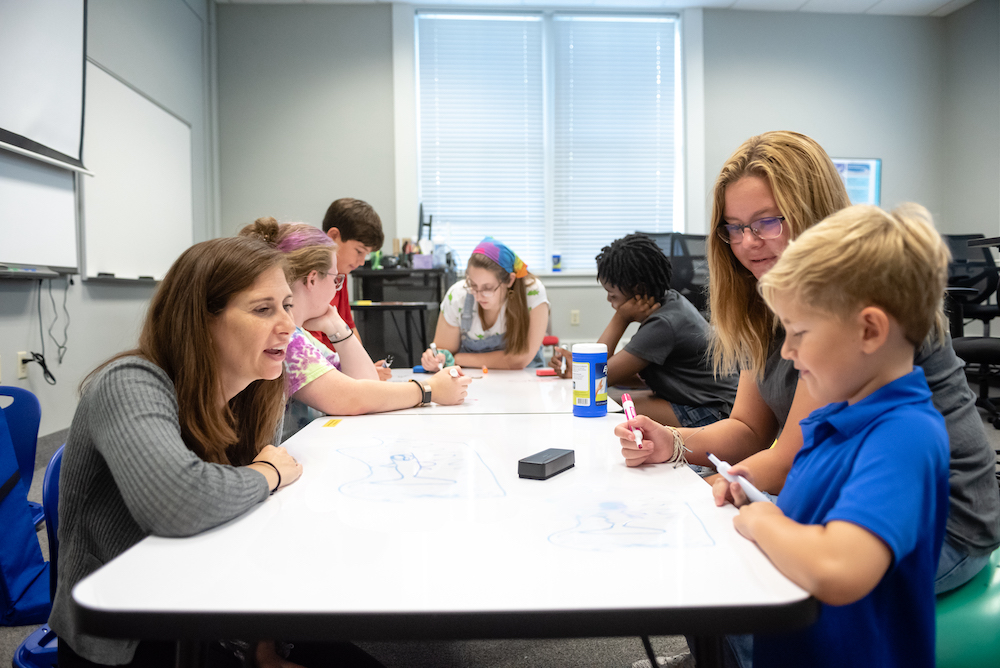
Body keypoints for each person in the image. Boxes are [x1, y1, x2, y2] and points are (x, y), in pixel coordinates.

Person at [616, 131, 1000, 598]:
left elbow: (789, 457)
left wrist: (729, 491)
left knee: (736, 574)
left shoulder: (845, 320)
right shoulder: (779, 302)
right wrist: (672, 444)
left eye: (766, 223)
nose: (748, 243)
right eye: (734, 228)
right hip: (845, 491)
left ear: (812, 215)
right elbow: (747, 429)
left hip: (938, 523)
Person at [47, 237, 307, 666]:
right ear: (200, 320)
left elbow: (252, 522)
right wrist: (267, 472)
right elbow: (179, 503)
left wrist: (264, 650)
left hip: (212, 610)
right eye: (264, 309)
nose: (288, 326)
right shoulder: (128, 382)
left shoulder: (252, 392)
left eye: (287, 305)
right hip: (131, 636)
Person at [735, 203, 951, 667]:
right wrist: (757, 497)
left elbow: (839, 566)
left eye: (799, 332)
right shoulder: (835, 421)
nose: (788, 351)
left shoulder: (905, 435)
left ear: (869, 330)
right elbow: (816, 521)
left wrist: (762, 521)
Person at [239, 218, 470, 439]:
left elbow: (365, 380)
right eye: (335, 279)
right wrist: (429, 389)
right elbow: (351, 398)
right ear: (312, 280)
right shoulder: (287, 338)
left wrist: (337, 327)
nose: (337, 288)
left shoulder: (302, 336)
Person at [548, 233, 737, 427]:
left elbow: (596, 382)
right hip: (705, 402)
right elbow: (625, 376)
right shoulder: (670, 302)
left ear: (638, 290)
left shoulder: (664, 324)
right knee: (613, 399)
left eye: (612, 295)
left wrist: (621, 318)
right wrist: (581, 368)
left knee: (610, 408)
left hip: (713, 412)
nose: (609, 300)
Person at [421, 237, 550, 371]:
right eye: (473, 285)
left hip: (525, 381)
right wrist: (436, 359)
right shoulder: (458, 296)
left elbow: (518, 360)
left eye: (488, 288)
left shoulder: (532, 293)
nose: (478, 295)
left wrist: (457, 359)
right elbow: (444, 351)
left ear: (510, 280)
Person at [308, 198, 392, 380]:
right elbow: (309, 350)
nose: (362, 262)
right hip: (322, 374)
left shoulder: (340, 275)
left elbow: (349, 330)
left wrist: (364, 366)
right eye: (359, 251)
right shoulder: (309, 280)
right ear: (333, 237)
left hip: (339, 372)